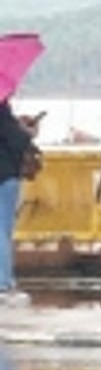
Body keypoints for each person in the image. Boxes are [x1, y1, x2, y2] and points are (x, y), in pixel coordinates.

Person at [0, 96, 40, 305]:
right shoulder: (1, 109)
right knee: (2, 229)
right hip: (4, 175)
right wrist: (28, 132)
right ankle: (3, 283)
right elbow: (15, 140)